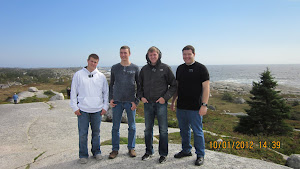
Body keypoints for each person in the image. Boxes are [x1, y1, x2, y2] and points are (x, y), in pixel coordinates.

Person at [171, 45, 210, 166]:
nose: (186, 56)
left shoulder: (201, 68)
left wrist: (204, 105)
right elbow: (177, 87)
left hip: (196, 107)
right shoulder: (180, 69)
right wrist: (173, 101)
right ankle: (186, 150)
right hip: (181, 106)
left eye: (189, 54)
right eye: (184, 54)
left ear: (194, 54)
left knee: (197, 132)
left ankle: (200, 155)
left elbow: (206, 88)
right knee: (184, 131)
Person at [138, 46, 177, 163]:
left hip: (161, 104)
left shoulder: (165, 68)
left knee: (163, 130)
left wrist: (165, 98)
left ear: (158, 55)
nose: (153, 57)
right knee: (148, 129)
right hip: (148, 104)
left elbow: (174, 85)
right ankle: (149, 151)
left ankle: (163, 154)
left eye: (154, 54)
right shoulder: (144, 69)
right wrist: (141, 97)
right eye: (150, 55)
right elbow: (139, 86)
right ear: (148, 56)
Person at [70, 53, 109, 164]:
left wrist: (105, 106)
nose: (93, 63)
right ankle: (83, 154)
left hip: (97, 110)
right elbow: (73, 92)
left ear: (97, 63)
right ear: (87, 61)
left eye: (95, 62)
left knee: (96, 133)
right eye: (91, 61)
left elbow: (106, 92)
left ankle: (96, 152)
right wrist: (74, 107)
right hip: (82, 110)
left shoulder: (101, 76)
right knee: (83, 134)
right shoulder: (78, 75)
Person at [108, 46, 140, 159]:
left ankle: (131, 148)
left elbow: (139, 86)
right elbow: (111, 84)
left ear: (129, 54)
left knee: (132, 126)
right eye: (121, 53)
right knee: (115, 127)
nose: (123, 55)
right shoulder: (115, 68)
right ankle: (115, 150)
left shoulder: (135, 68)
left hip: (130, 102)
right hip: (117, 101)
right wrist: (110, 98)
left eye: (125, 53)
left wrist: (137, 101)